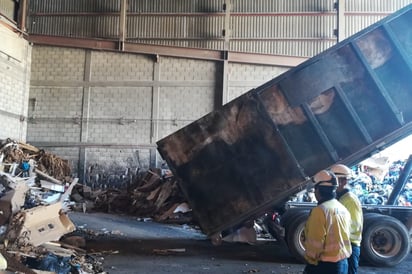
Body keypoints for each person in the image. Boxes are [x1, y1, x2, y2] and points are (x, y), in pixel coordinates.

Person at [303, 170, 352, 274]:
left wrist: (311, 261)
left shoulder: (320, 211)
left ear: (318, 190)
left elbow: (315, 241)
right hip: (343, 263)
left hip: (324, 266)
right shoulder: (342, 207)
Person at [330, 164, 364, 274]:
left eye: (334, 181)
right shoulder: (340, 198)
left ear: (344, 181)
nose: (332, 184)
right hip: (342, 245)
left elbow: (354, 226)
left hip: (350, 246)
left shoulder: (350, 200)